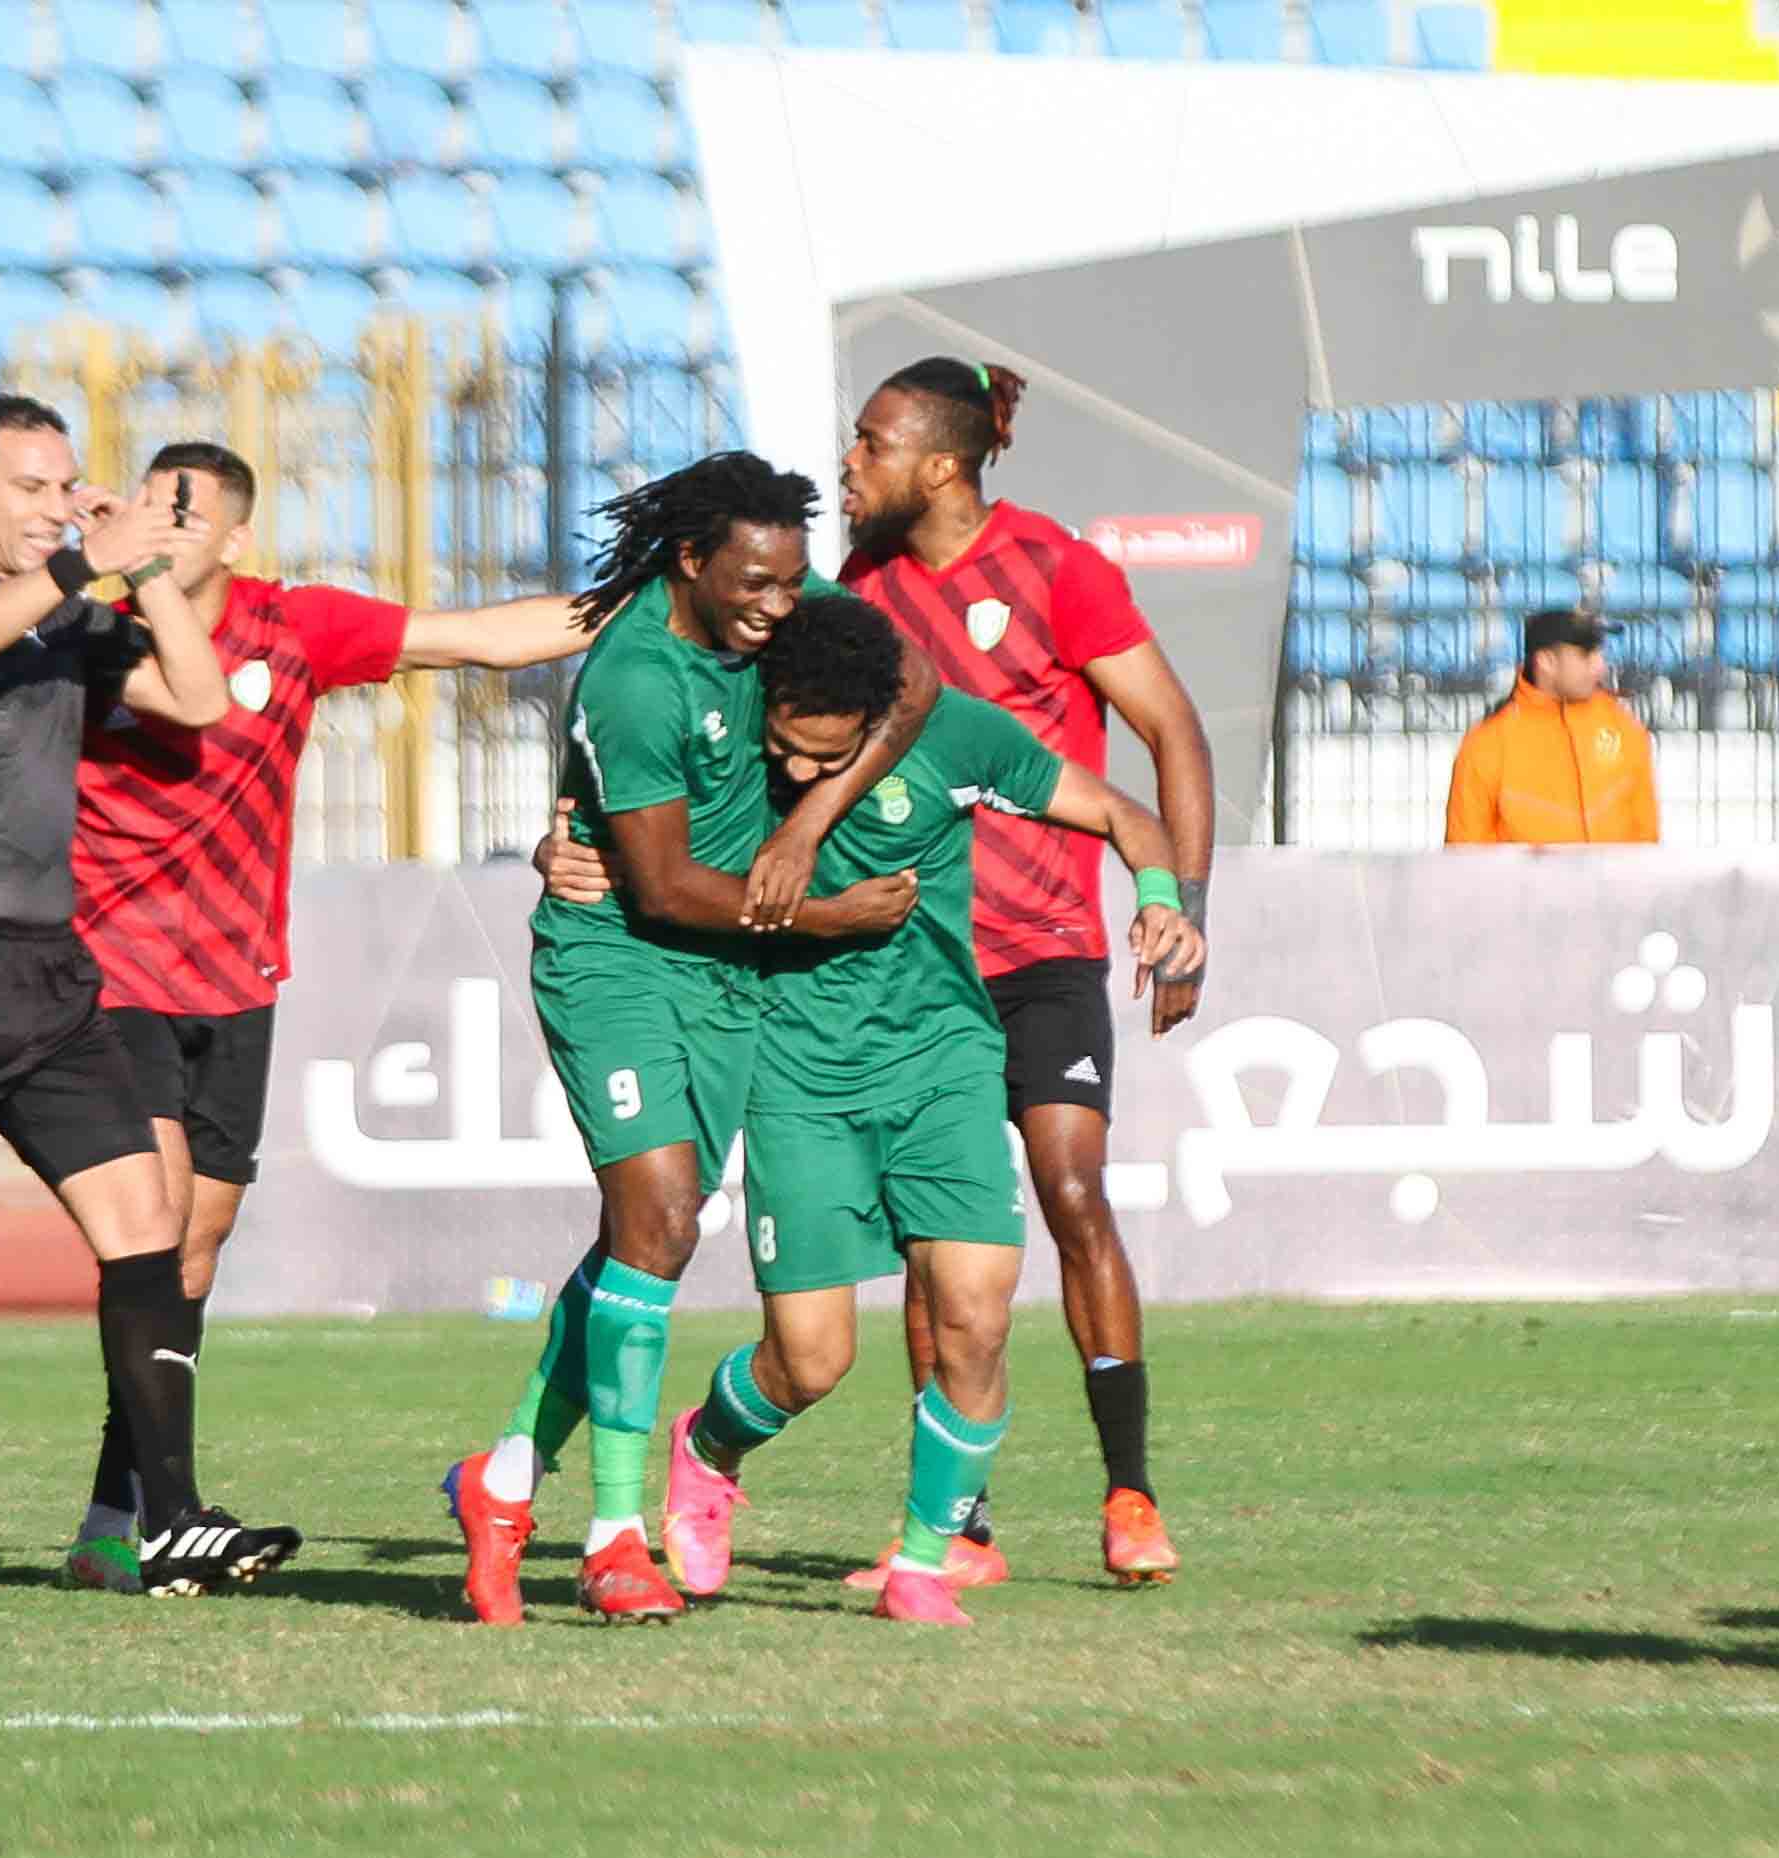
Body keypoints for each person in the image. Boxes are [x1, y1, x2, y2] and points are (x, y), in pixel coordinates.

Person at [543, 596, 1203, 1624]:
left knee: (977, 1317)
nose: (800, 775)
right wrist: (565, 850)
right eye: (787, 754)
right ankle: (707, 1447)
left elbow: (1125, 812)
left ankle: (924, 1565)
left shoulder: (959, 740)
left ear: (874, 725)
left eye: (825, 757)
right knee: (811, 1361)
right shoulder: (730, 756)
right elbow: (637, 838)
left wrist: (1161, 895)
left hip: (942, 1063)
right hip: (796, 1075)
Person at [56, 439, 604, 1594]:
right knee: (151, 1232)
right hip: (112, 974)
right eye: (149, 512)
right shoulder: (96, 633)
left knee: (193, 1253)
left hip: (239, 980)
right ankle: (168, 1517)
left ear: (237, 540)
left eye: (184, 518)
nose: (160, 532)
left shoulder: (296, 625)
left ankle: (119, 1506)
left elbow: (482, 637)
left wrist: (652, 593)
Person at [0, 394, 297, 1603]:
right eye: (27, 486)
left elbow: (201, 700)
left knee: (150, 1228)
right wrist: (84, 560)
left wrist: (153, 575)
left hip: (51, 975)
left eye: (63, 484)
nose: (49, 505)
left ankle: (170, 1517)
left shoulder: (78, 617)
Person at [441, 453, 940, 1627]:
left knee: (643, 1236)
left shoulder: (776, 627)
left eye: (793, 578)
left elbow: (910, 681)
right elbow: (661, 891)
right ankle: (615, 1536)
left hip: (729, 978)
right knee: (662, 1218)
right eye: (756, 582)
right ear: (692, 562)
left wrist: (811, 817)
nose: (780, 603)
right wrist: (829, 914)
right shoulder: (636, 680)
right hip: (617, 955)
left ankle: (503, 1477)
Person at [835, 357, 1215, 1587]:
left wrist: (1184, 909)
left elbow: (1172, 729)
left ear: (941, 464)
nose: (852, 467)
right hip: (915, 962)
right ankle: (959, 1526)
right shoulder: (863, 586)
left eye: (871, 446)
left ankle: (1131, 1493)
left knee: (1072, 1192)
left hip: (1047, 949)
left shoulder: (1056, 569)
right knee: (934, 1242)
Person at [1445, 610, 1657, 845]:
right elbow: (1465, 861)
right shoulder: (1486, 746)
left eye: (1600, 654)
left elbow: (1646, 845)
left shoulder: (1624, 729)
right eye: (1586, 655)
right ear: (1546, 661)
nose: (1600, 667)